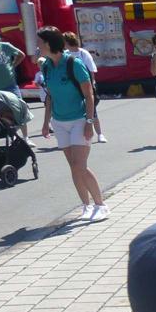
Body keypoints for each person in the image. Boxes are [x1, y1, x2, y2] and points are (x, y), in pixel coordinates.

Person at [37, 26, 108, 222]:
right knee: (74, 167)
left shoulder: (73, 63)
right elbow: (50, 96)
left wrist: (89, 122)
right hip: (59, 122)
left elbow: (89, 95)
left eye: (40, 42)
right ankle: (86, 206)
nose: (37, 46)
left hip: (79, 120)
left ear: (49, 43)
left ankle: (101, 205)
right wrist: (46, 123)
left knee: (79, 165)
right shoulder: (46, 66)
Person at [63, 32, 106, 143]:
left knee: (92, 111)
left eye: (64, 41)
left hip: (85, 86)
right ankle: (75, 135)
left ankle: (100, 134)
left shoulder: (83, 53)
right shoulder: (64, 54)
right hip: (72, 88)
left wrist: (92, 85)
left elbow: (91, 71)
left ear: (67, 42)